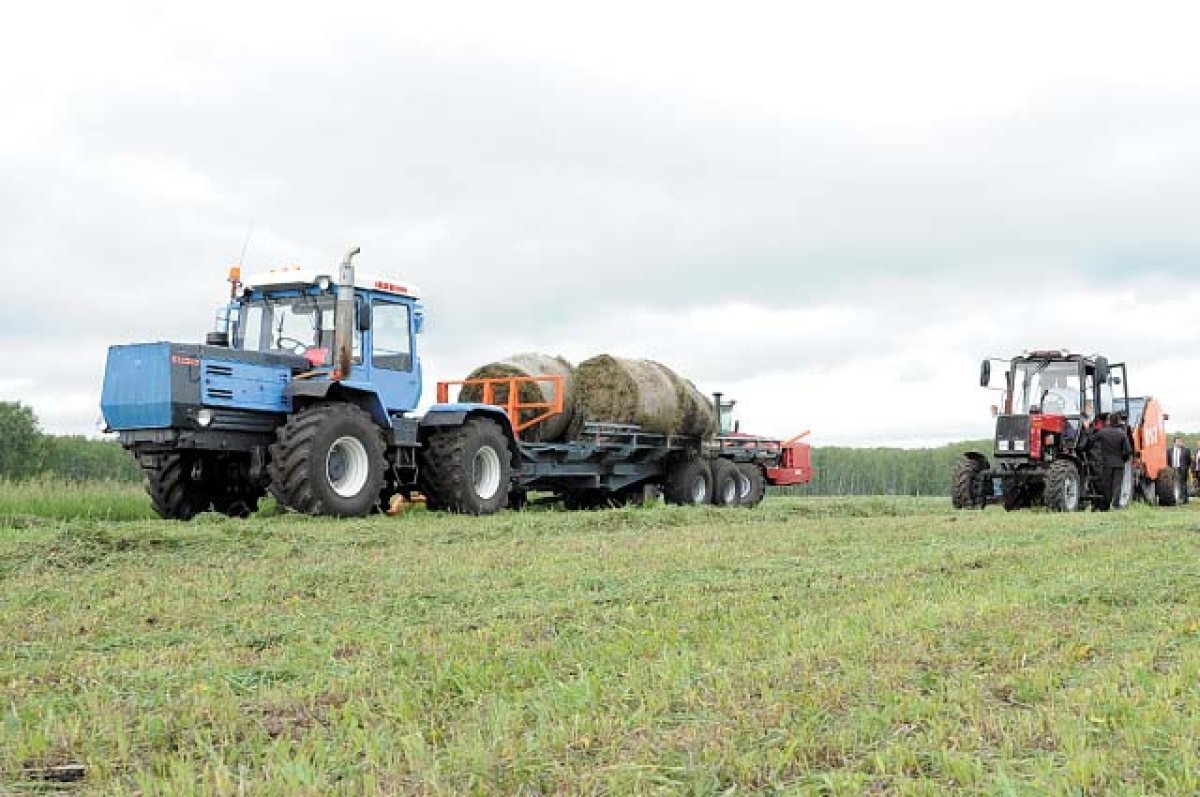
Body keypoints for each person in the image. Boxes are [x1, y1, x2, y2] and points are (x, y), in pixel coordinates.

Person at [1087, 413, 1132, 511]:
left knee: (1107, 485)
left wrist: (1088, 429)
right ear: (1118, 421)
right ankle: (1115, 505)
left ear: (1109, 421)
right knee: (1117, 485)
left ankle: (1106, 506)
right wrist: (1123, 459)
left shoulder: (1103, 432)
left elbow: (1091, 440)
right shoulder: (1122, 434)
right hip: (1119, 463)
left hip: (1106, 463)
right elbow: (1128, 451)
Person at [1169, 435, 1192, 504]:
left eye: (1180, 441)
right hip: (1172, 469)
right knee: (1173, 484)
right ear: (1174, 442)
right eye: (1178, 441)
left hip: (1182, 469)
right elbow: (1168, 460)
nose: (1179, 443)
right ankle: (1175, 498)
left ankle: (1184, 499)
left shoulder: (1186, 450)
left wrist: (1186, 468)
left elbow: (1189, 461)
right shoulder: (1169, 450)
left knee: (1183, 484)